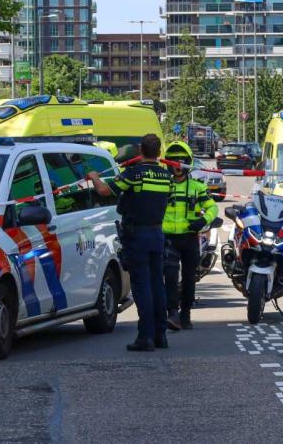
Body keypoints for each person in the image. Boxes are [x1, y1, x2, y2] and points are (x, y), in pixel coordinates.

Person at [91, 133, 173, 352]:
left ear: (140, 150)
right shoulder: (166, 177)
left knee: (142, 286)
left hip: (137, 236)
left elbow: (105, 191)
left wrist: (94, 177)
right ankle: (160, 335)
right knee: (157, 285)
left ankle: (145, 337)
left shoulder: (134, 174)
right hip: (157, 234)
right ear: (158, 152)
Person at [160, 141, 217, 331]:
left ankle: (186, 314)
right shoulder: (162, 186)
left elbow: (212, 207)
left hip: (190, 238)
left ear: (188, 162)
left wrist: (204, 221)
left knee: (189, 278)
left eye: (181, 161)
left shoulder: (197, 187)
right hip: (168, 239)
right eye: (173, 161)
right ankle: (172, 313)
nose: (177, 165)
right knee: (169, 274)